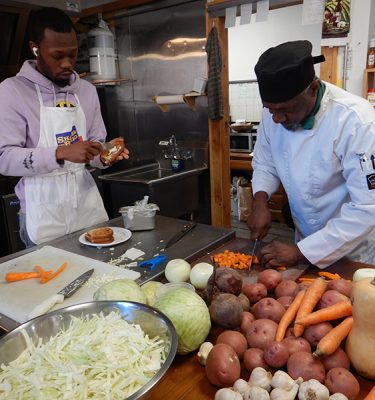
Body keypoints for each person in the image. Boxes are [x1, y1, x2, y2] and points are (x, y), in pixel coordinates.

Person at [0, 7, 129, 247]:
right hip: (43, 216)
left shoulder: (87, 91)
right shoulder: (11, 91)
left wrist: (106, 154)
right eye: (58, 56)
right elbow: (4, 158)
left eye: (72, 54)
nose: (67, 64)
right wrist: (59, 153)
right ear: (35, 49)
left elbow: (95, 147)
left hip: (87, 208)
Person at [247, 40, 375, 269]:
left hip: (353, 250)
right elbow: (265, 162)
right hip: (303, 243)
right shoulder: (274, 111)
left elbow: (368, 206)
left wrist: (302, 251)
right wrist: (260, 201)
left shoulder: (357, 121)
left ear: (313, 88)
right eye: (270, 109)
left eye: (285, 110)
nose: (276, 119)